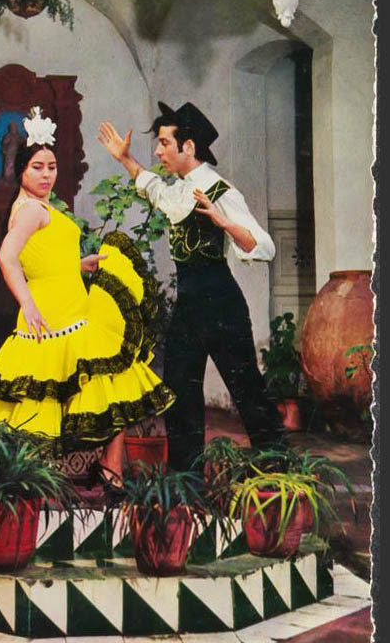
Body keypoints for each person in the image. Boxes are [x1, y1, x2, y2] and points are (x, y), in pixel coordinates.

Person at [0, 106, 175, 490]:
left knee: (107, 384)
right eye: (37, 167)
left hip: (71, 306)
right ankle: (86, 474)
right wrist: (28, 303)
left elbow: (40, 257)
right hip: (56, 316)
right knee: (85, 390)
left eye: (51, 167)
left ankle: (109, 468)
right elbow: (7, 257)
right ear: (21, 170)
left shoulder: (36, 207)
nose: (46, 175)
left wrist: (78, 265)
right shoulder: (31, 210)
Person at [98, 101, 286, 471]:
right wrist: (125, 159)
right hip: (188, 306)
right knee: (178, 391)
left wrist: (225, 223)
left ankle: (277, 473)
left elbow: (265, 247)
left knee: (247, 389)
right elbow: (152, 187)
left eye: (164, 143)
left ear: (188, 146)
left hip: (221, 304)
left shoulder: (221, 191)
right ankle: (186, 481)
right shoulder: (179, 190)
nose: (158, 152)